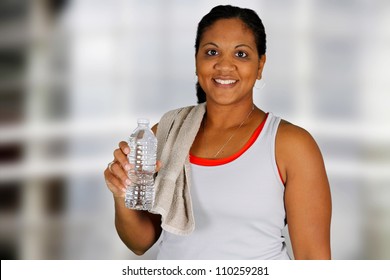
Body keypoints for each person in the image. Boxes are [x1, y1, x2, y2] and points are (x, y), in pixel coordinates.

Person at [104, 5, 331, 260]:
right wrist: (121, 193)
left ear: (260, 66)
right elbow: (140, 242)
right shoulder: (166, 132)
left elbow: (314, 258)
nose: (224, 65)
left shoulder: (290, 145)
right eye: (212, 52)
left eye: (241, 54)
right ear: (196, 61)